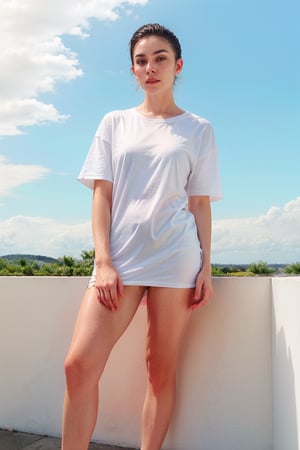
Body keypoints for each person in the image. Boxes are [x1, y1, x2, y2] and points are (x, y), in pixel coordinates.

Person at [62, 23, 222, 450]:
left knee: (159, 371)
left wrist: (206, 266)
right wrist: (103, 260)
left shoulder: (198, 129)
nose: (150, 67)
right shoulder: (114, 123)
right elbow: (102, 194)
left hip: (177, 260)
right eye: (141, 60)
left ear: (178, 65)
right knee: (78, 366)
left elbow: (200, 204)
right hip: (121, 259)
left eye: (160, 58)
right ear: (133, 70)